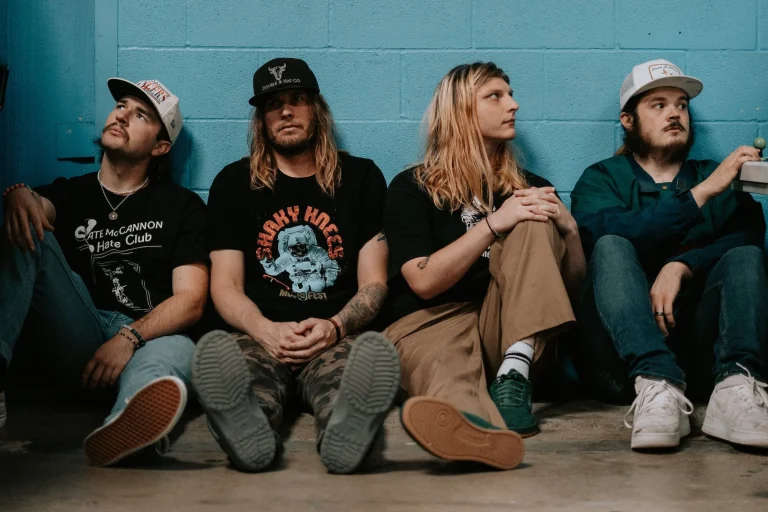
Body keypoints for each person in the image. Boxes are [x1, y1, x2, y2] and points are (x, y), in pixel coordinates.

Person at [194, 58, 400, 474]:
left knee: (348, 384)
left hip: (335, 334)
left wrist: (334, 327)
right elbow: (225, 285)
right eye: (273, 104)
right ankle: (247, 431)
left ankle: (347, 431)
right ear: (261, 120)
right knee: (244, 384)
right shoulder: (234, 183)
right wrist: (264, 330)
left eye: (297, 99)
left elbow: (375, 283)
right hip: (257, 334)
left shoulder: (360, 178)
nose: (286, 111)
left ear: (316, 109)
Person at [383, 62, 585, 469]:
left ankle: (514, 375)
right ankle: (475, 432)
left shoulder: (529, 187)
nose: (514, 104)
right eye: (495, 96)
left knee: (532, 215)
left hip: (511, 328)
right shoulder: (412, 187)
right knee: (448, 376)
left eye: (510, 94)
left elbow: (571, 288)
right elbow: (423, 282)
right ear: (460, 110)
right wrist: (493, 224)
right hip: (431, 321)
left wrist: (570, 231)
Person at [0, 78, 209, 465]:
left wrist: (129, 336)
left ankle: (127, 428)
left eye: (141, 115)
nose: (122, 116)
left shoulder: (182, 206)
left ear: (160, 147)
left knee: (180, 349)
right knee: (26, 225)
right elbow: (35, 211)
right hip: (80, 331)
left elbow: (191, 300)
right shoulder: (70, 193)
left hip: (148, 337)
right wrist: (19, 195)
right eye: (121, 106)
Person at [571, 59, 768, 450]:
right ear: (628, 120)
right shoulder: (602, 178)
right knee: (611, 246)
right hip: (621, 368)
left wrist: (682, 265)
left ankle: (736, 383)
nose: (675, 113)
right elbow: (610, 235)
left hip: (702, 361)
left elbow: (747, 236)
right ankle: (656, 380)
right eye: (658, 105)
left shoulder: (713, 173)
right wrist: (702, 194)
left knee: (746, 255)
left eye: (681, 105)